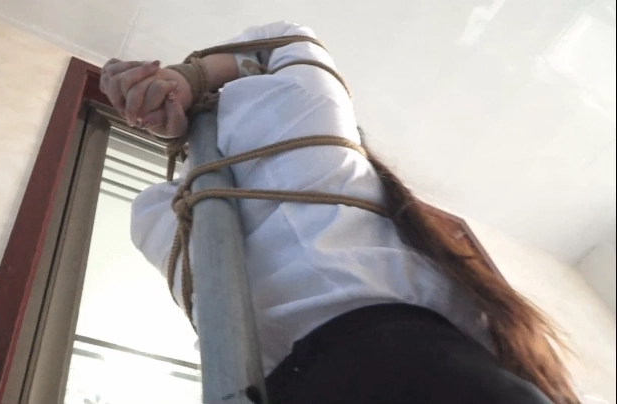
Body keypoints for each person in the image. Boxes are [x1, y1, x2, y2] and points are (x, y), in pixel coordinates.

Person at [99, 21, 578, 404]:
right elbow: (287, 43)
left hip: (381, 368)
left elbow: (287, 40)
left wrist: (190, 79)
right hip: (419, 364)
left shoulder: (305, 113)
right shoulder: (164, 207)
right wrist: (186, 90)